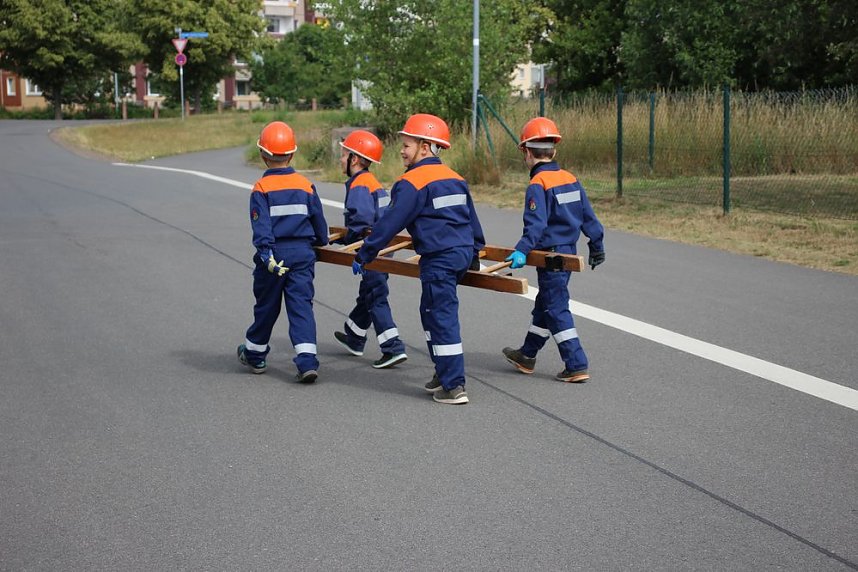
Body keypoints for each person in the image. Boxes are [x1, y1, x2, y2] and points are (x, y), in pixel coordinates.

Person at [352, 114, 485, 405]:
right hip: (460, 253)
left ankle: (454, 385)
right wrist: (475, 252)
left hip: (439, 258)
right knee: (429, 311)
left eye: (406, 145)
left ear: (425, 147)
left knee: (441, 316)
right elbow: (472, 221)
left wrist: (366, 253)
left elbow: (389, 224)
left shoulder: (411, 182)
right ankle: (443, 372)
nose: (401, 150)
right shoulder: (455, 178)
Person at [501, 117, 605, 383]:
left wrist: (522, 250)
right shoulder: (570, 178)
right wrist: (596, 244)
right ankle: (527, 354)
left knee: (556, 307)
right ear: (554, 150)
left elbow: (535, 226)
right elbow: (588, 217)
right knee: (545, 303)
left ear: (526, 152)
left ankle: (576, 363)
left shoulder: (539, 184)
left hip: (551, 256)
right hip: (568, 251)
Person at [237, 121, 329, 383]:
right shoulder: (305, 184)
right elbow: (318, 220)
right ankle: (307, 361)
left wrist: (266, 255)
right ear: (292, 153)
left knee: (267, 306)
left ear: (263, 154)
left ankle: (254, 355)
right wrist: (321, 240)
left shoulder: (261, 189)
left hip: (274, 256)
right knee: (301, 307)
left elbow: (261, 226)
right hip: (302, 254)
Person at [332, 130, 408, 369]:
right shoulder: (370, 181)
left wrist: (349, 241)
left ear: (354, 159)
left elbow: (362, 220)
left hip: (373, 248)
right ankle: (354, 336)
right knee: (368, 292)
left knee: (375, 295)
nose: (341, 160)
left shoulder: (360, 185)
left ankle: (392, 346)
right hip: (383, 246)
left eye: (343, 155)